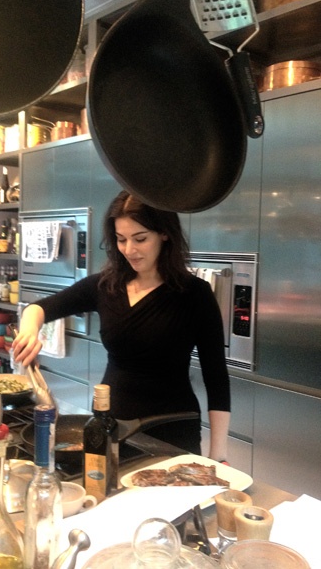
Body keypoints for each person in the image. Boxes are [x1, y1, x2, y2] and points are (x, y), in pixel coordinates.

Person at [13, 190, 230, 460]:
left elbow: (217, 377)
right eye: (121, 239)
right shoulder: (106, 286)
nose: (129, 250)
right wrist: (29, 330)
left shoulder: (195, 294)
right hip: (110, 423)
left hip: (173, 427)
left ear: (164, 233)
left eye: (140, 239)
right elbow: (38, 308)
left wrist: (218, 455)